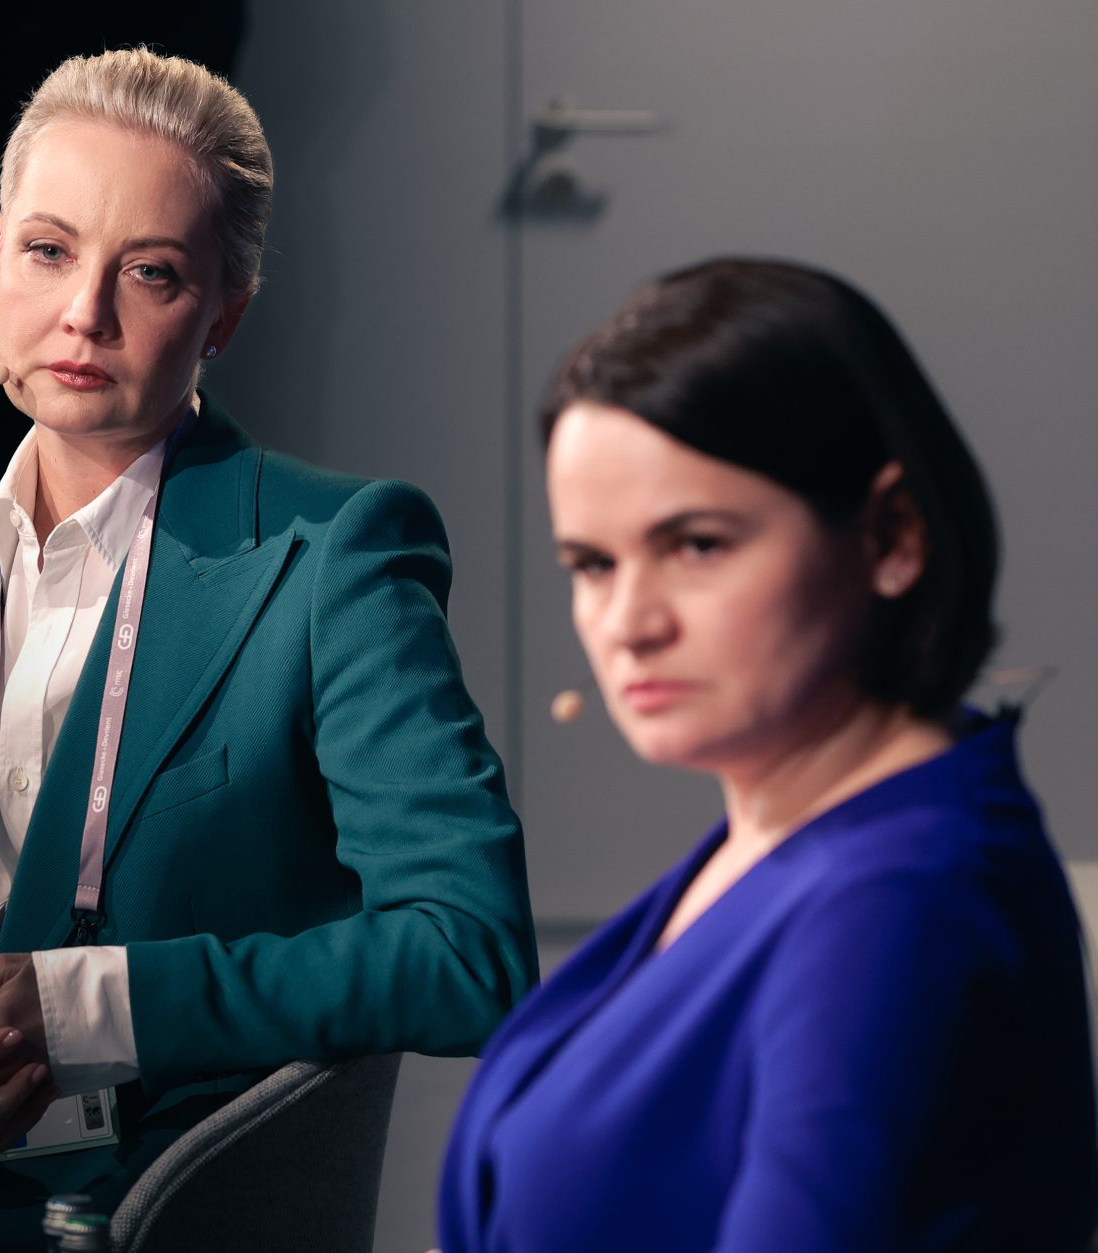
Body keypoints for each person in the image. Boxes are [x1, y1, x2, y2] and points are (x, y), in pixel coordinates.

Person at [0, 46, 537, 1250]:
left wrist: (100, 1003)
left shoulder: (337, 555)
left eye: (151, 272)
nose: (84, 312)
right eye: (50, 251)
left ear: (225, 315)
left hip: (167, 1207)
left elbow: (470, 951)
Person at [438, 257, 1097, 1251]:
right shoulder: (797, 828)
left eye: (697, 544)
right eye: (592, 563)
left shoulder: (898, 902)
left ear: (892, 535)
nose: (627, 622)